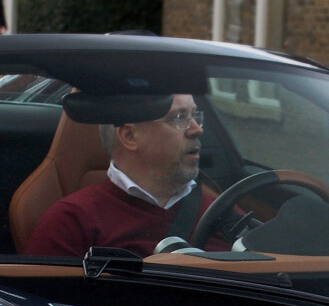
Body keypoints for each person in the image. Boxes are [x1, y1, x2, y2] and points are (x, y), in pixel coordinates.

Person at [25, 93, 211, 258]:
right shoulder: (71, 223)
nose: (197, 129)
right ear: (130, 136)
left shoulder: (221, 211)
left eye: (195, 115)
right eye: (178, 117)